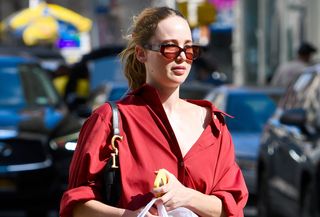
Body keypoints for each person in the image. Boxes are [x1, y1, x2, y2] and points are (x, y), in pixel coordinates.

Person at [60, 6, 248, 217]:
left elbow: (231, 209)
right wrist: (131, 216)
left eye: (188, 48)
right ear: (141, 53)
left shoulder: (212, 125)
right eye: (169, 47)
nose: (181, 57)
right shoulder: (109, 120)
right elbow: (77, 206)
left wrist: (186, 196)